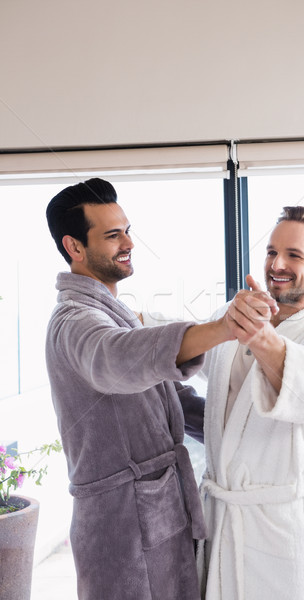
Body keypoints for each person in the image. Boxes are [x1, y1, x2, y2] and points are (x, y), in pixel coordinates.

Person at [44, 178, 242, 600]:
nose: (128, 242)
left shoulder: (114, 314)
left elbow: (169, 400)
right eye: (112, 235)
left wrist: (243, 429)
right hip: (120, 522)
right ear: (75, 247)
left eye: (128, 230)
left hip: (156, 508)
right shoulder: (76, 322)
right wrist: (222, 329)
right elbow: (118, 358)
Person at [196, 206, 304, 600]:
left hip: (280, 535)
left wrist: (261, 338)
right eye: (271, 252)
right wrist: (124, 318)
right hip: (220, 519)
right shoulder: (238, 314)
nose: (277, 264)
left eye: (294, 256)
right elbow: (189, 337)